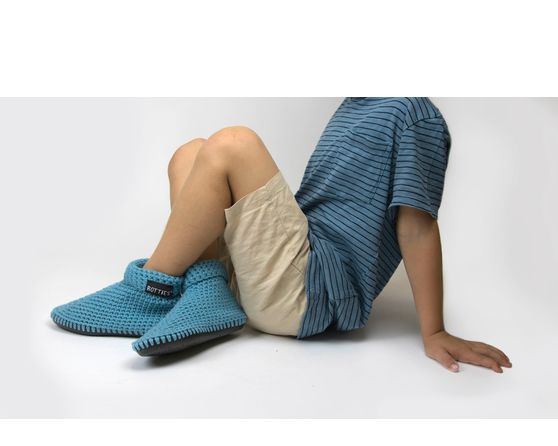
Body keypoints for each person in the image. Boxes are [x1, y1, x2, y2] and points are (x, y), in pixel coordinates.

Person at [51, 97, 512, 373]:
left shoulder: (415, 116)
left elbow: (416, 227)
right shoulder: (356, 103)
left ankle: (151, 289)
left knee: (234, 143)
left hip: (313, 291)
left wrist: (434, 331)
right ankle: (208, 291)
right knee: (190, 153)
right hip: (276, 277)